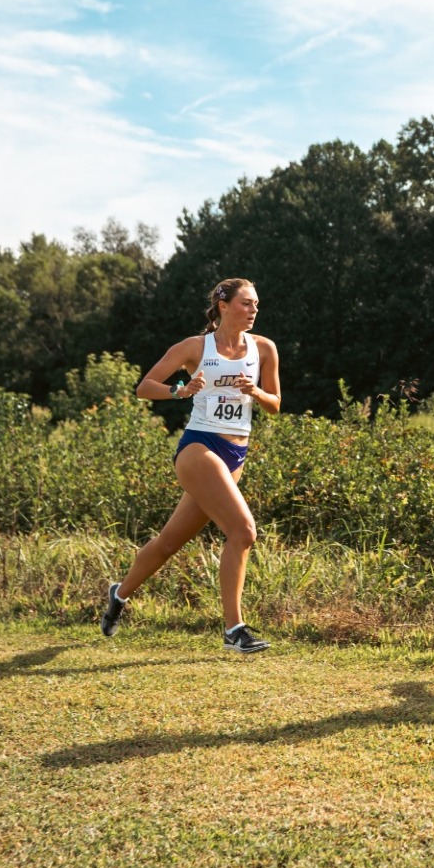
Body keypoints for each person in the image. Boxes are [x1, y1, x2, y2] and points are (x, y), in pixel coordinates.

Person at [99, 278, 281, 652]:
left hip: (236, 454)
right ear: (223, 305)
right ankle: (235, 630)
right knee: (244, 531)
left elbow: (275, 403)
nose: (254, 310)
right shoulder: (195, 347)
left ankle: (120, 593)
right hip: (199, 447)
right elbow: (144, 386)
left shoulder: (264, 349)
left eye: (256, 305)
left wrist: (256, 391)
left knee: (169, 543)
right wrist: (179, 391)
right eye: (247, 303)